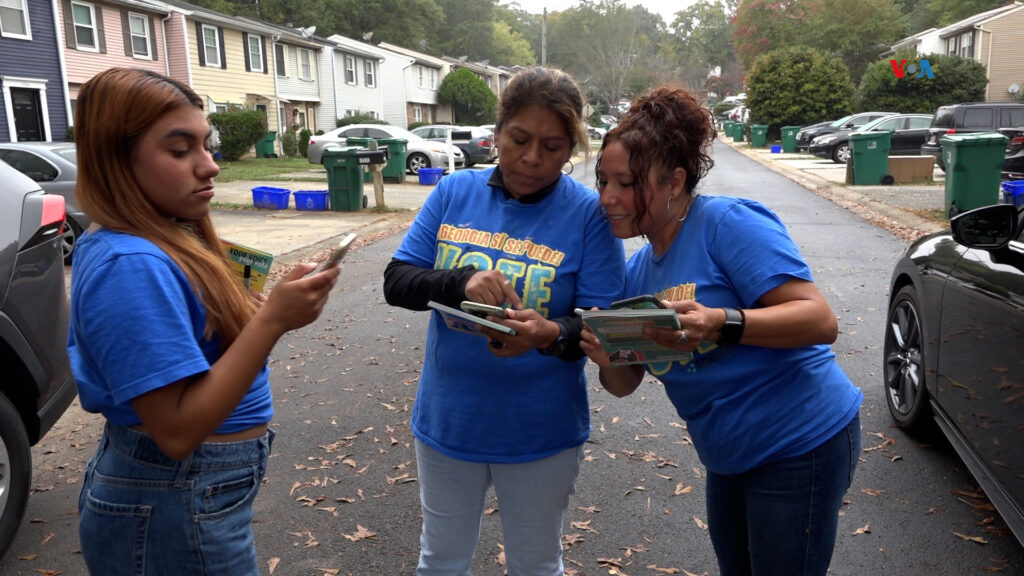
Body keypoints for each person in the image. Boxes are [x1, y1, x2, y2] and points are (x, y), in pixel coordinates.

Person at [67, 67, 340, 576]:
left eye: (206, 145)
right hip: (172, 495)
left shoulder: (167, 236)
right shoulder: (131, 265)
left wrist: (263, 309)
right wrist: (272, 323)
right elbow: (175, 429)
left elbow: (203, 350)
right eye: (179, 150)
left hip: (194, 492)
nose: (210, 166)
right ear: (115, 158)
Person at [582, 85, 863, 576]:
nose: (608, 197)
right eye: (603, 180)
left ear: (673, 180)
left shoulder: (727, 225)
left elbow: (820, 320)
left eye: (626, 183)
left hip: (800, 442)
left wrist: (720, 322)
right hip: (728, 456)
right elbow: (625, 383)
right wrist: (607, 358)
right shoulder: (637, 273)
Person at [383, 66, 625, 575]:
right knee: (441, 560)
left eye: (554, 147)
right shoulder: (454, 193)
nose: (533, 158)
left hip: (540, 430)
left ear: (571, 149)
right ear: (497, 133)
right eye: (519, 139)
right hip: (450, 421)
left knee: (536, 565)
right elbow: (397, 280)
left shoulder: (588, 215)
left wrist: (550, 334)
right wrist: (459, 281)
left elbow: (602, 325)